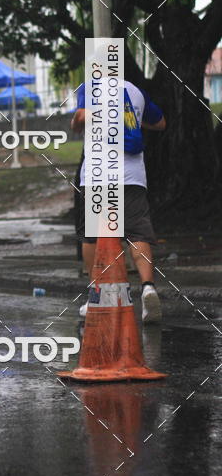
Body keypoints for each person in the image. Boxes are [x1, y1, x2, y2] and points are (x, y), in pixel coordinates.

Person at [71, 78, 166, 323]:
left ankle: (96, 295)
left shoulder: (90, 87)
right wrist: (130, 119)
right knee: (137, 234)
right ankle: (148, 287)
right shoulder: (136, 91)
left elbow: (80, 118)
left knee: (91, 235)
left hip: (98, 175)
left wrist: (82, 120)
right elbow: (160, 123)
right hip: (132, 176)